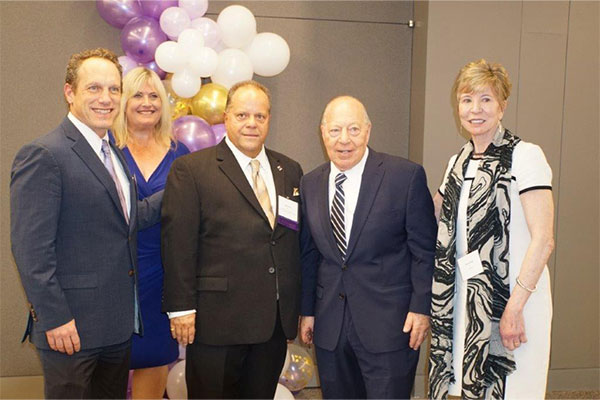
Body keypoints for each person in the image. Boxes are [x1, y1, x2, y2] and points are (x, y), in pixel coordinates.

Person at [10, 48, 163, 399]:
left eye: (113, 89)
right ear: (69, 93)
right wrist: (55, 318)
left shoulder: (114, 151)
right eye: (94, 88)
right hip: (70, 329)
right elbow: (31, 250)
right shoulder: (45, 155)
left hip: (116, 327)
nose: (106, 99)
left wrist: (181, 186)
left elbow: (127, 219)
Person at [161, 80, 303, 399]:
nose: (251, 123)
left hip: (272, 324)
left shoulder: (289, 170)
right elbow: (178, 244)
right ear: (226, 117)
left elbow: (291, 243)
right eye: (242, 115)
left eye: (260, 116)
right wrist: (180, 307)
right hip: (217, 322)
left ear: (269, 119)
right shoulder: (192, 170)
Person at [428, 59, 555, 399]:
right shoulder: (457, 163)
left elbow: (543, 240)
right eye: (467, 99)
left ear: (502, 106)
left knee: (513, 390)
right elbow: (432, 218)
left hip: (515, 302)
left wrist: (513, 309)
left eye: (486, 99)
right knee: (471, 388)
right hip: (467, 301)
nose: (475, 109)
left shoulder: (525, 156)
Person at [299, 96, 437, 399]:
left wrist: (420, 308)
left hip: (389, 326)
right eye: (335, 131)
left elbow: (425, 251)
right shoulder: (310, 183)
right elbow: (310, 255)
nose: (344, 140)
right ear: (323, 132)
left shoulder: (405, 176)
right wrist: (307, 311)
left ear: (368, 131)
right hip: (330, 326)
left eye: (353, 130)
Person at [112, 67, 189, 399]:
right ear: (124, 102)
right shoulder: (107, 149)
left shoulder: (180, 153)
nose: (146, 102)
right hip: (113, 273)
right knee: (109, 361)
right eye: (138, 95)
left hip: (162, 273)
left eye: (154, 95)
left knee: (154, 360)